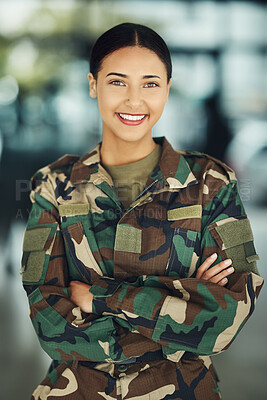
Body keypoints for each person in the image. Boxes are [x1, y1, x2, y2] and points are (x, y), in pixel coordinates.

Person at [21, 22, 264, 400]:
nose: (135, 101)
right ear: (92, 85)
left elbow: (225, 320)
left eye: (150, 83)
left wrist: (98, 298)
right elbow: (49, 325)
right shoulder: (54, 185)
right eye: (117, 82)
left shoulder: (211, 183)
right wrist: (179, 313)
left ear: (167, 89)